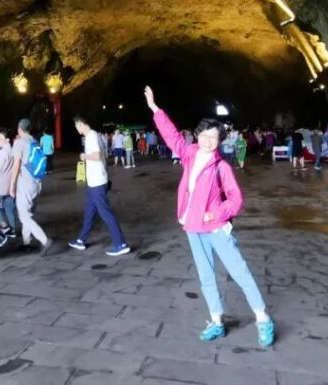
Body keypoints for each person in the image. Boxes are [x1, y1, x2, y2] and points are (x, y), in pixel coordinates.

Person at [145, 86, 275, 347]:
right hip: (192, 226)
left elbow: (236, 199)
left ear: (219, 140)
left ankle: (263, 319)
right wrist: (155, 109)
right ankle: (216, 321)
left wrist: (213, 214)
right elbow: (172, 137)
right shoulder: (189, 155)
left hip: (215, 228)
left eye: (213, 138)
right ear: (198, 135)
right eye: (204, 136)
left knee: (239, 272)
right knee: (206, 276)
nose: (208, 141)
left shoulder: (222, 167)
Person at [69, 117, 129, 256]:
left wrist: (84, 156)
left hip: (97, 182)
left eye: (76, 126)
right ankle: (81, 240)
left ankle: (121, 244)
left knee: (105, 213)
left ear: (80, 124)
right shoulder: (95, 135)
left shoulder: (91, 137)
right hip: (94, 181)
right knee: (89, 213)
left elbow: (96, 156)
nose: (76, 129)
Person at [10, 118, 53, 255]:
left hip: (25, 185)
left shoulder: (19, 142)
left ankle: (45, 240)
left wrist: (12, 185)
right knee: (28, 214)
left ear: (19, 129)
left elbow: (16, 165)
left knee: (24, 216)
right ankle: (26, 243)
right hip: (37, 183)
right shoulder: (34, 141)